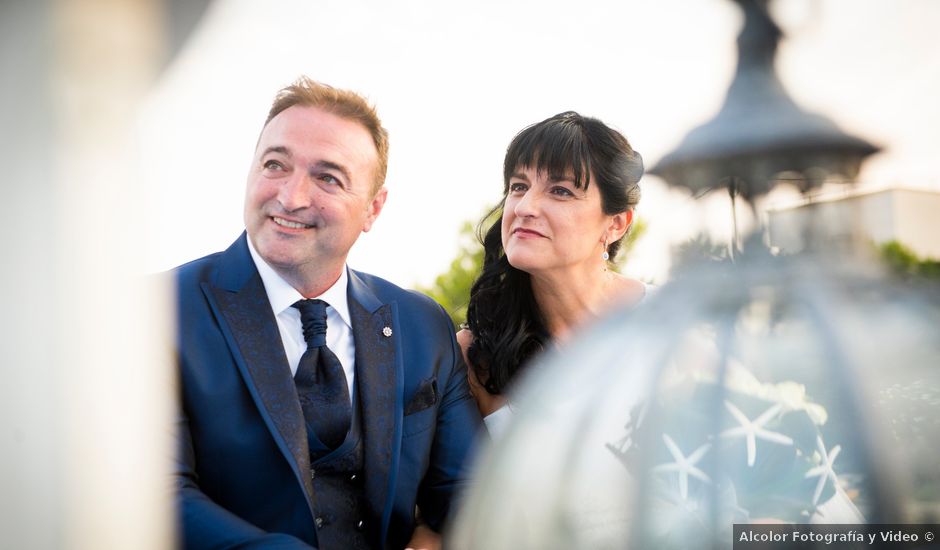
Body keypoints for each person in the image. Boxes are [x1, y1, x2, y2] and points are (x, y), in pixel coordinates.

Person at [173, 77, 481, 549]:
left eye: (327, 178)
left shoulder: (423, 326)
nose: (291, 197)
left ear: (373, 209)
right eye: (275, 164)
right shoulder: (154, 312)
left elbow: (470, 496)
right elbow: (154, 495)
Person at [458, 111, 646, 436]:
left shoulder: (671, 323)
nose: (524, 207)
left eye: (560, 191)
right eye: (518, 186)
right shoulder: (473, 354)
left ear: (616, 224)